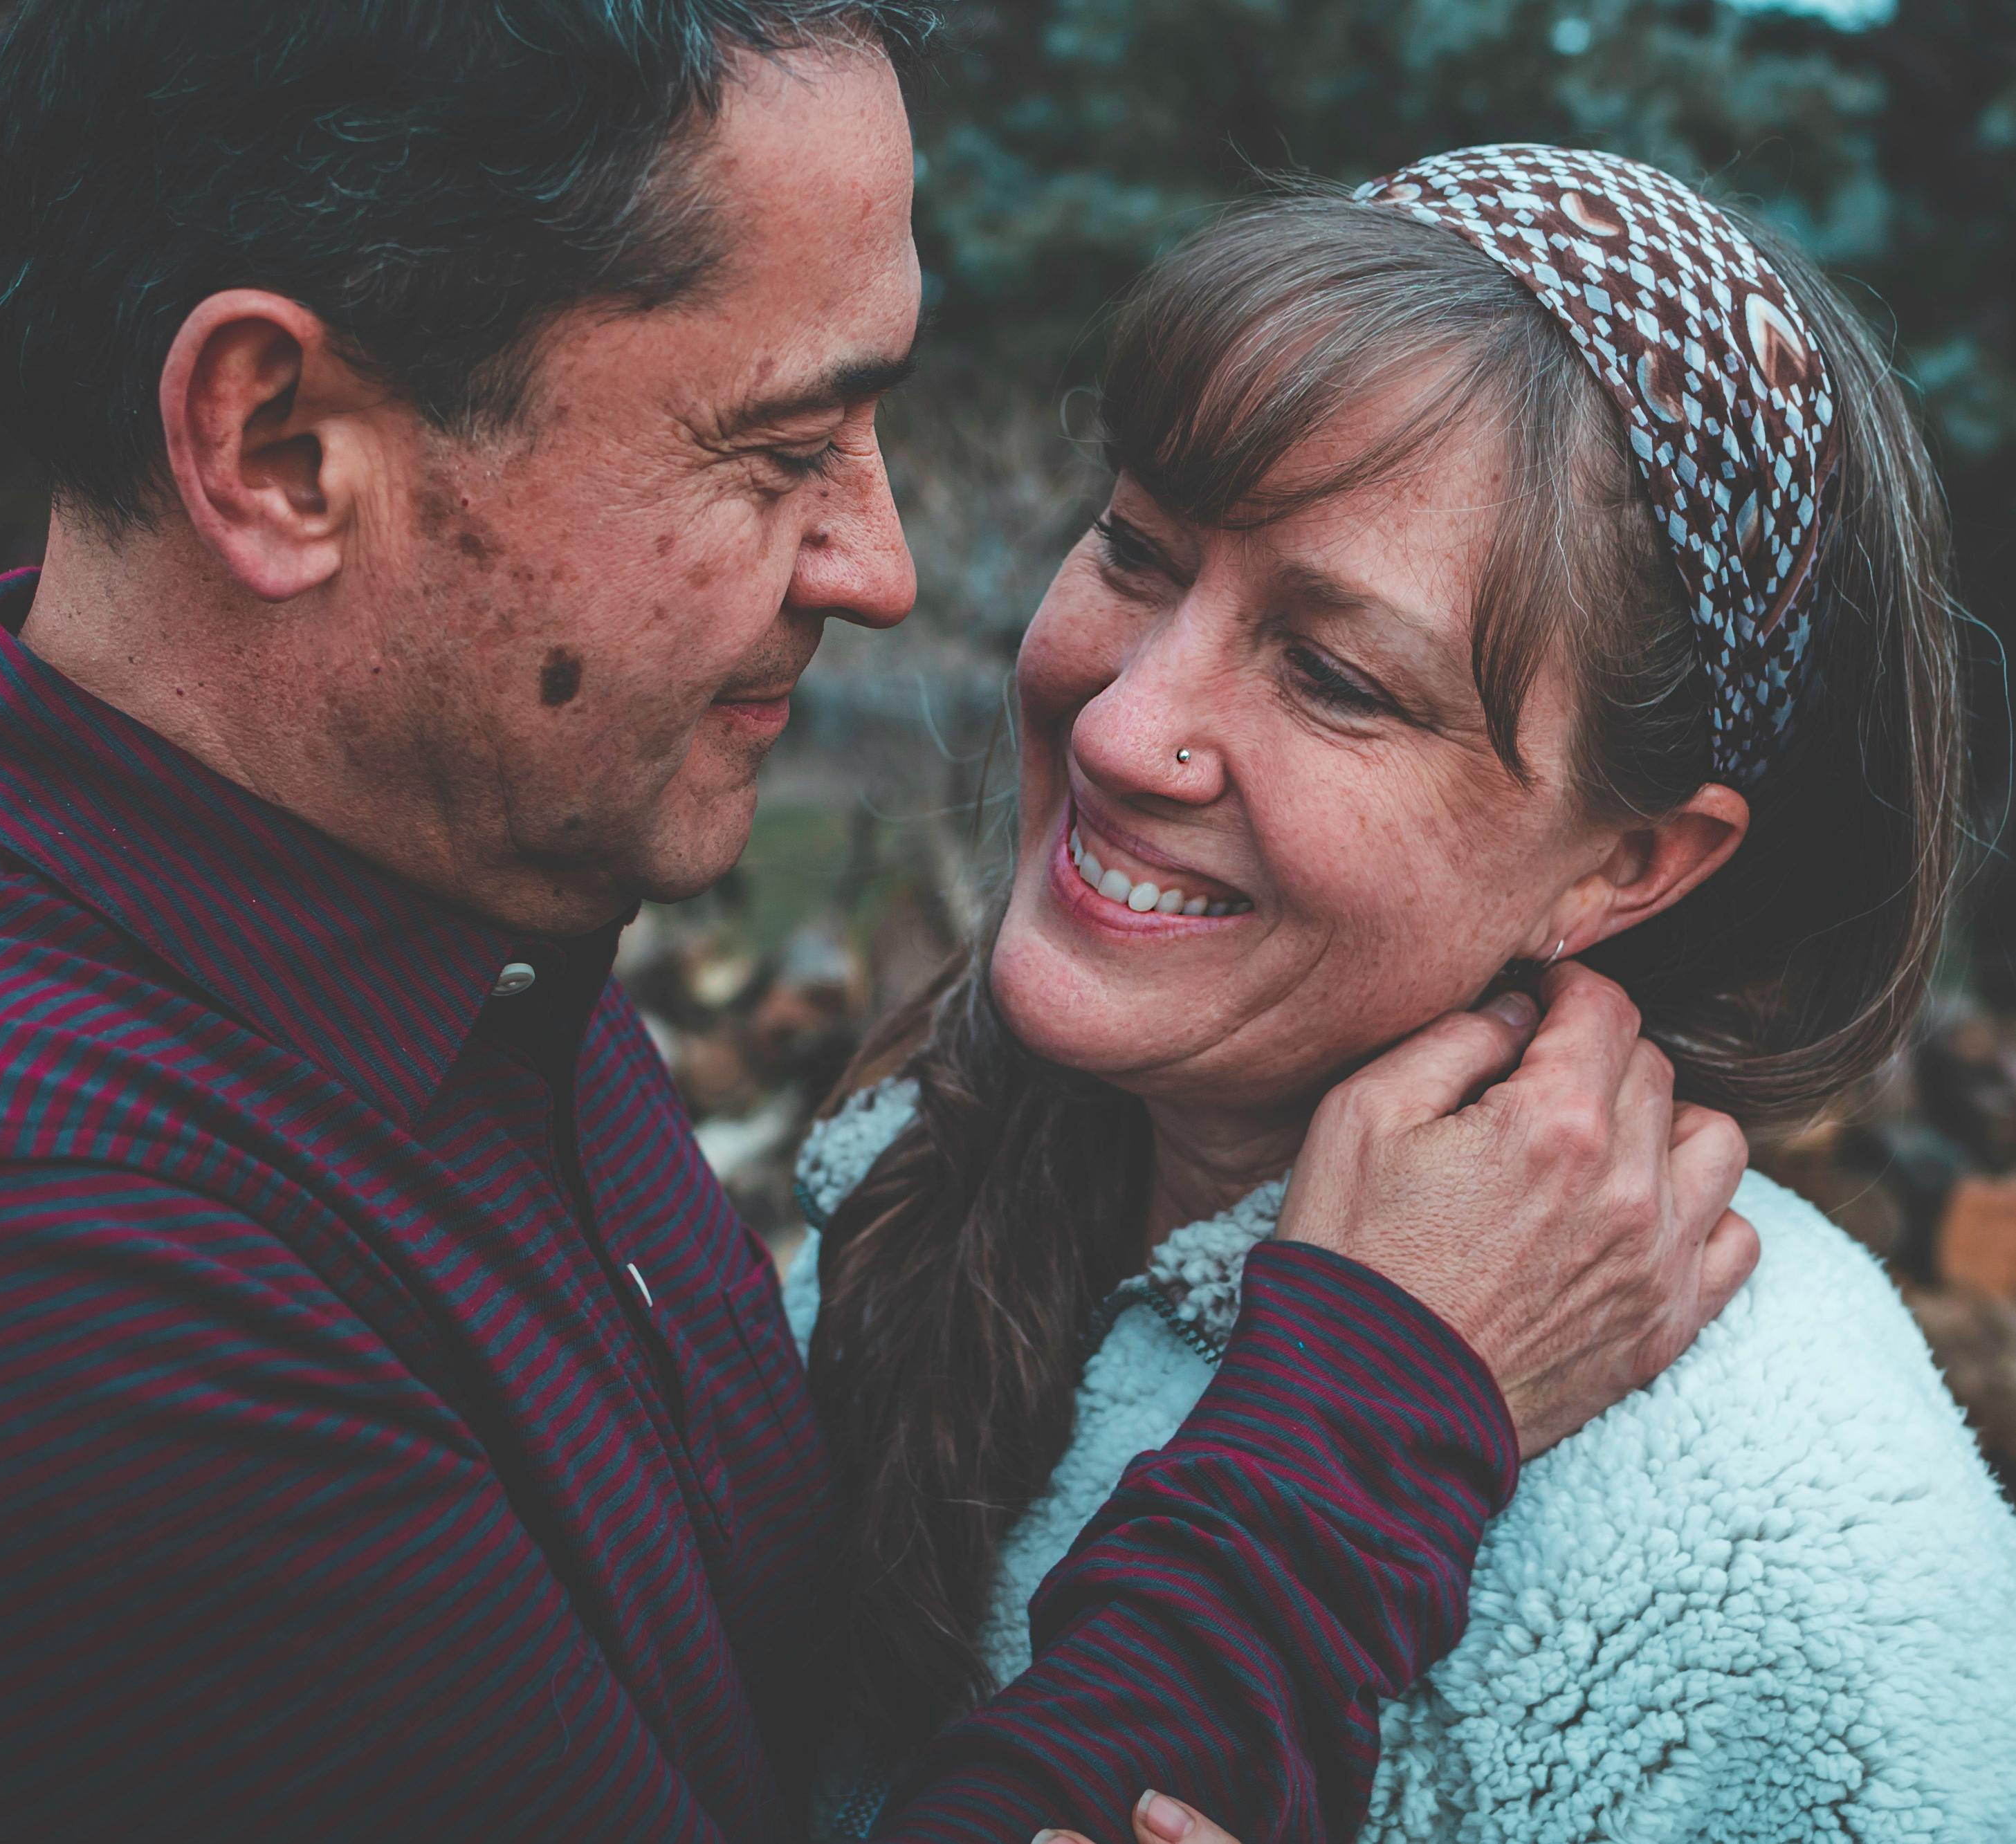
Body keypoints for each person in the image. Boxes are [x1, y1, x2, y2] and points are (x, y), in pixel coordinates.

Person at [0, 6, 1750, 1835]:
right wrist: (1365, 1425)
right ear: (283, 448)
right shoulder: (42, 1272)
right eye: (783, 450)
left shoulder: (461, 892)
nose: (883, 562)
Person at [788, 148, 2016, 1841]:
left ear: (1630, 862)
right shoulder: (892, 1192)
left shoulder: (1778, 1526)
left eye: (1336, 674)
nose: (1125, 725)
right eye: (1137, 551)